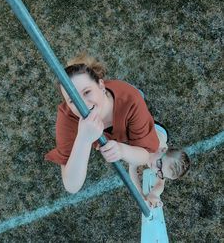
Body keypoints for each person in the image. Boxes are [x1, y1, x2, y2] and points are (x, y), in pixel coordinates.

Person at [44, 53, 190, 201]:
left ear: (101, 85)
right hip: (119, 125)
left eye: (87, 92)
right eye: (72, 100)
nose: (83, 104)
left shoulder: (131, 101)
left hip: (127, 107)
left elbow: (145, 154)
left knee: (134, 105)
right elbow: (71, 185)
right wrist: (83, 139)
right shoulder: (68, 116)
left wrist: (123, 150)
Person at [129, 123, 190, 208]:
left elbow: (160, 183)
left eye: (160, 173)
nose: (154, 169)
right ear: (164, 150)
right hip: (150, 127)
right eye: (159, 163)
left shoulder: (163, 158)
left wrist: (154, 194)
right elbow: (132, 168)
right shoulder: (145, 144)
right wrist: (140, 194)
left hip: (162, 134)